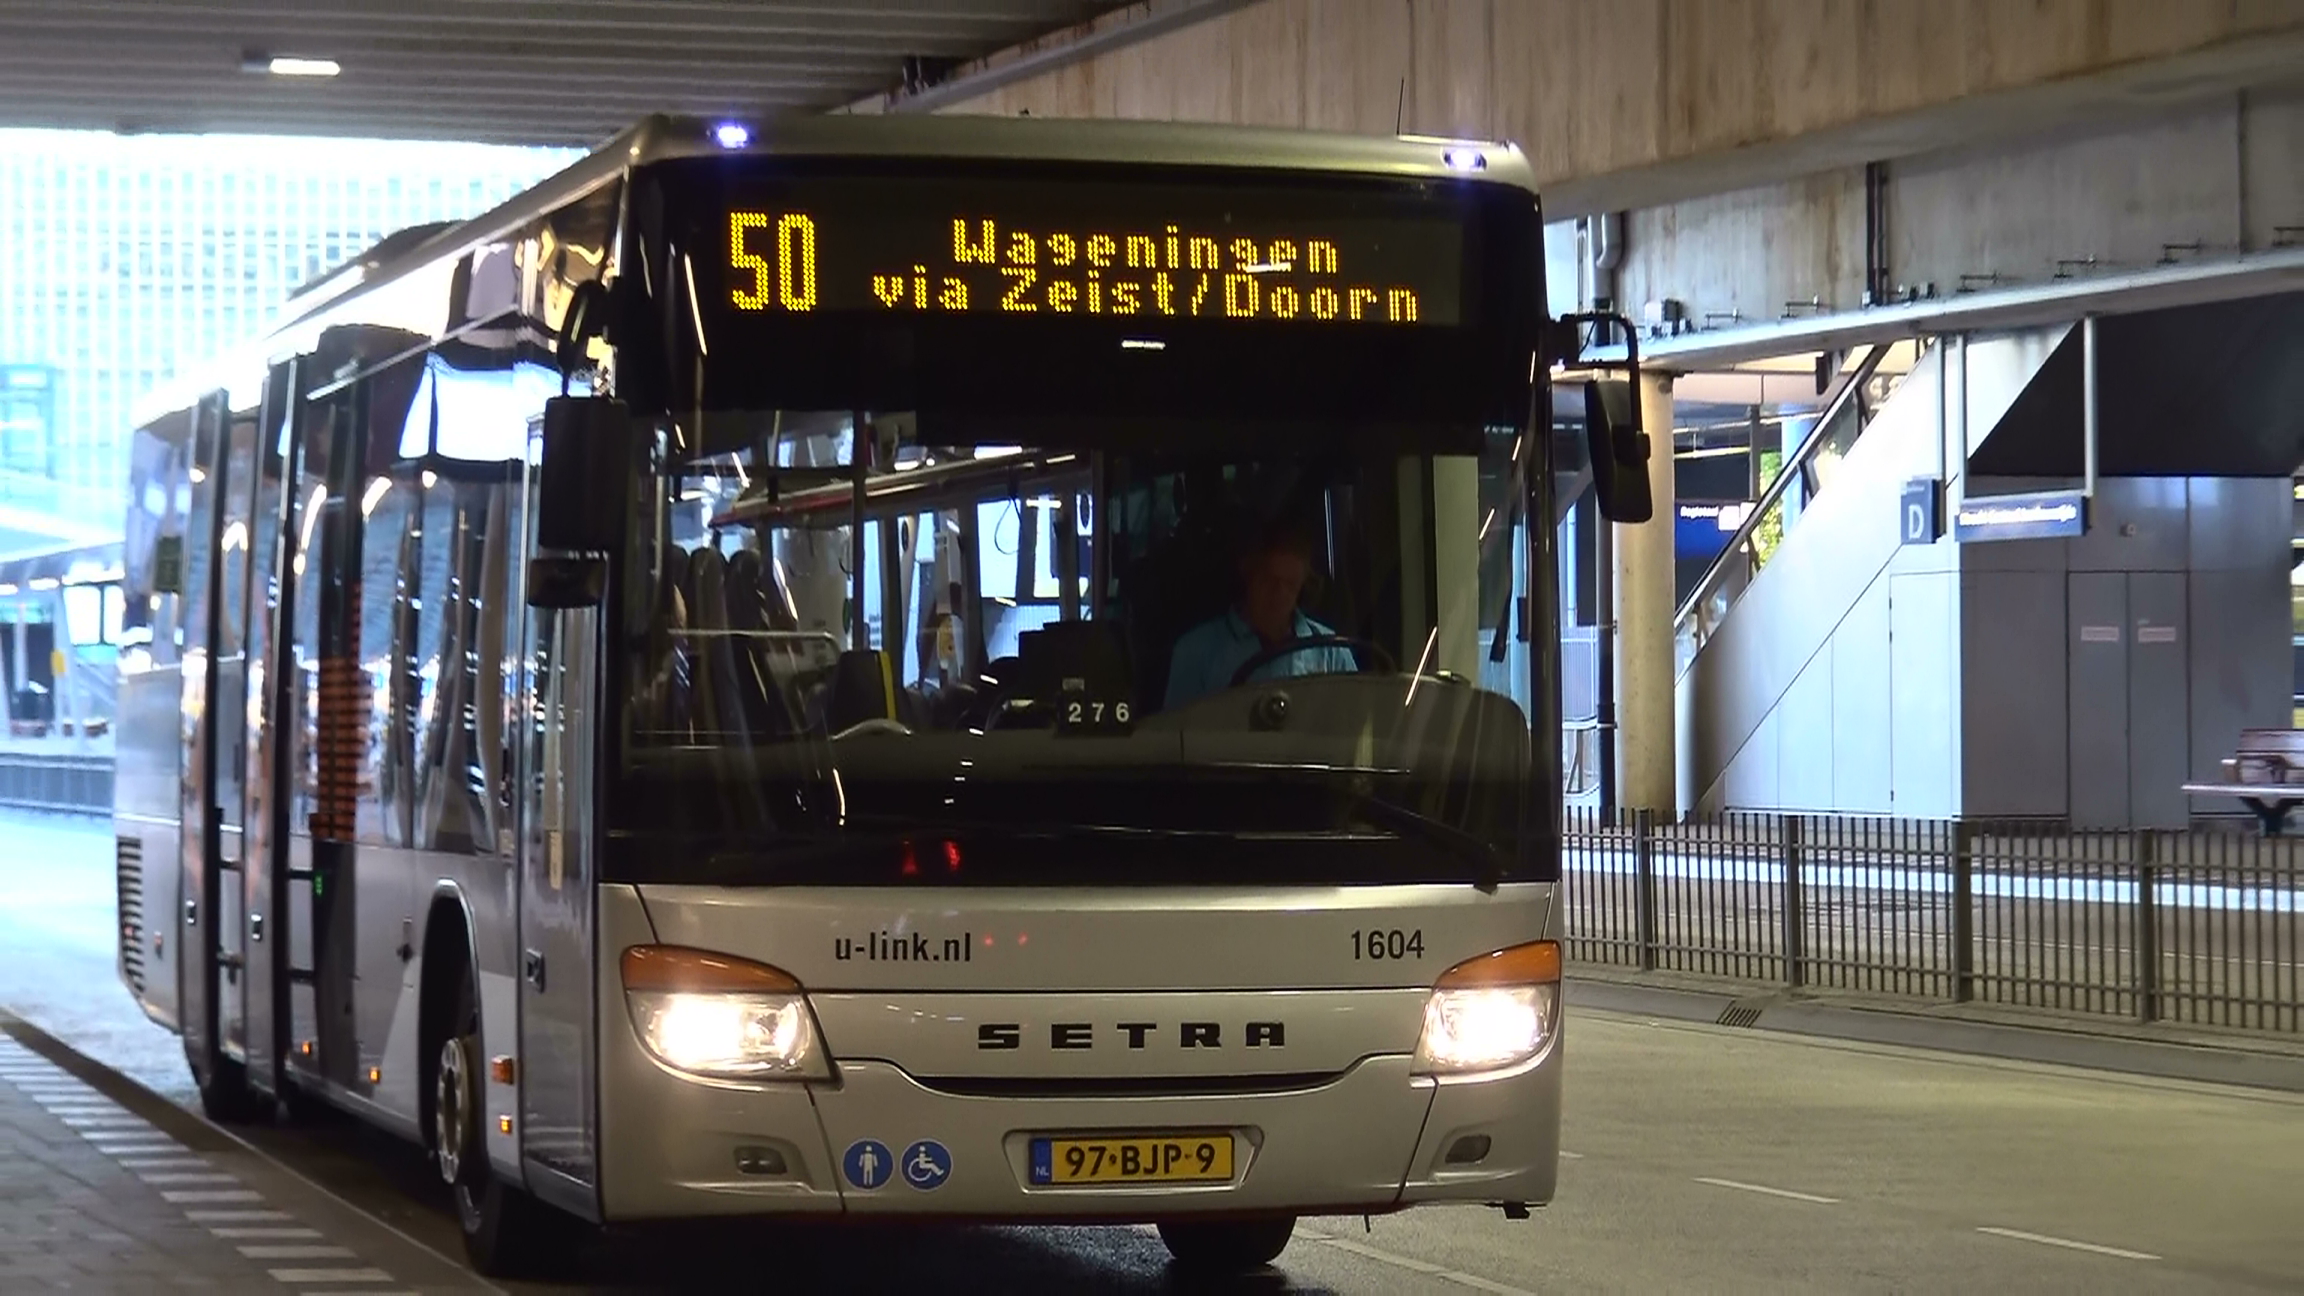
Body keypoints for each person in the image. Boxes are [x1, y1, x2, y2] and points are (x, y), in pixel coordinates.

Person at [1162, 518, 1359, 709]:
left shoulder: (1331, 650)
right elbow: (1178, 734)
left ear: (1303, 582)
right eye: (1269, 581)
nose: (1279, 594)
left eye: (1290, 584)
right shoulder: (1196, 651)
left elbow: (1353, 724)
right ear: (1249, 574)